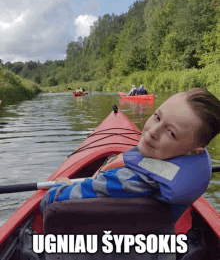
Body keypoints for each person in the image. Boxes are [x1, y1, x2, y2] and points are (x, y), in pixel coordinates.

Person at [40, 88, 220, 224]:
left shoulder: (122, 181)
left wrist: (63, 186)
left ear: (193, 151)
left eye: (171, 133)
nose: (152, 132)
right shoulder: (194, 168)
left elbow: (49, 202)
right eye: (157, 117)